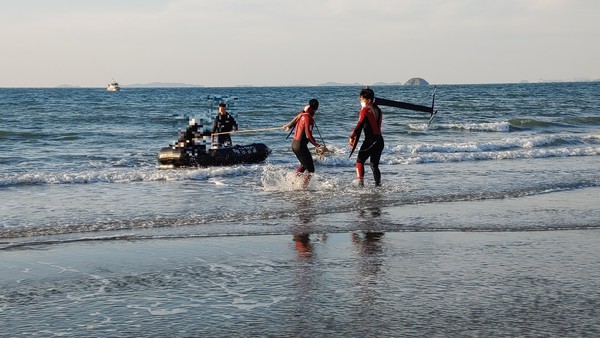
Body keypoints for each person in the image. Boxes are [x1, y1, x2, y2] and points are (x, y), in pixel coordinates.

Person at [349, 88, 384, 187]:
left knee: (359, 161)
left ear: (368, 100)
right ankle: (378, 185)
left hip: (370, 141)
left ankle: (361, 184)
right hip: (379, 141)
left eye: (362, 99)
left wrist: (352, 136)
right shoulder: (378, 109)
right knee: (374, 165)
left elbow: (359, 125)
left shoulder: (365, 110)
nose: (360, 101)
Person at [283, 99, 322, 187]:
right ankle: (303, 188)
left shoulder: (302, 114)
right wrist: (317, 145)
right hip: (300, 146)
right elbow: (308, 135)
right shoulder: (308, 118)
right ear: (317, 108)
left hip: (294, 145)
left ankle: (293, 183)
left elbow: (295, 119)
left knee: (304, 165)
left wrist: (289, 126)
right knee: (311, 170)